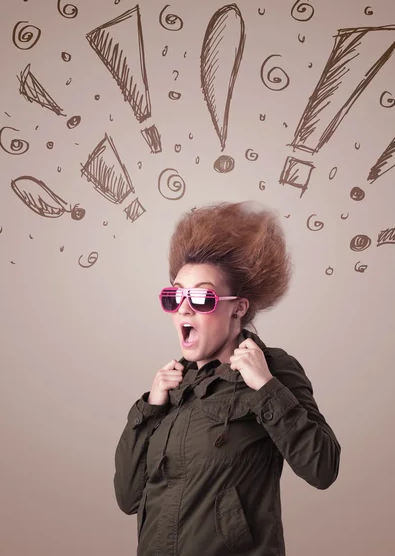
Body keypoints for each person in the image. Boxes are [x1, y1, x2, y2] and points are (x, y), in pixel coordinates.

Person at [114, 201, 341, 556]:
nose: (185, 308)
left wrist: (267, 388)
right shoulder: (174, 387)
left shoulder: (272, 369)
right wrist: (149, 409)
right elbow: (128, 499)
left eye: (203, 297)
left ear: (239, 308)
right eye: (175, 296)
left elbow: (323, 467)